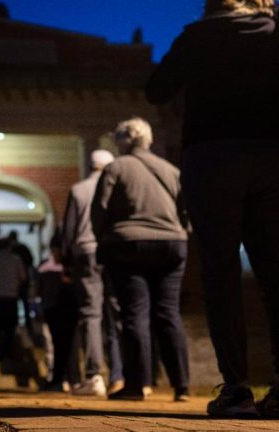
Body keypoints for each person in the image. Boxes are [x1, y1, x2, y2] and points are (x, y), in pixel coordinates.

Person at [145, 0, 279, 417]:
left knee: (220, 274)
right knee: (275, 274)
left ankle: (237, 389)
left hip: (212, 159)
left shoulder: (197, 36)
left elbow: (157, 89)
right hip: (272, 157)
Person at [91, 117, 190, 402]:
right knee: (169, 313)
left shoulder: (116, 167)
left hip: (128, 244)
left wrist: (103, 239)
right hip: (172, 244)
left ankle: (136, 385)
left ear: (123, 142)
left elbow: (100, 210)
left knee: (135, 313)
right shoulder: (171, 170)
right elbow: (185, 209)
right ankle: (181, 385)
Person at [62, 149, 123, 396]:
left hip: (86, 252)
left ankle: (94, 375)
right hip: (113, 251)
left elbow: (69, 230)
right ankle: (119, 374)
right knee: (116, 314)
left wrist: (67, 261)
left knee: (91, 314)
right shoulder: (118, 188)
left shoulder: (78, 189)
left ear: (91, 165)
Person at [37, 230, 80, 392]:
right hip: (54, 309)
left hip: (65, 309)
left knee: (70, 345)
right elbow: (40, 290)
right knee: (59, 345)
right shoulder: (46, 267)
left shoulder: (69, 268)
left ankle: (71, 378)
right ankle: (60, 379)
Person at [0, 237, 28, 360]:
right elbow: (23, 277)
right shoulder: (16, 259)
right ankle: (7, 352)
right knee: (9, 327)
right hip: (10, 296)